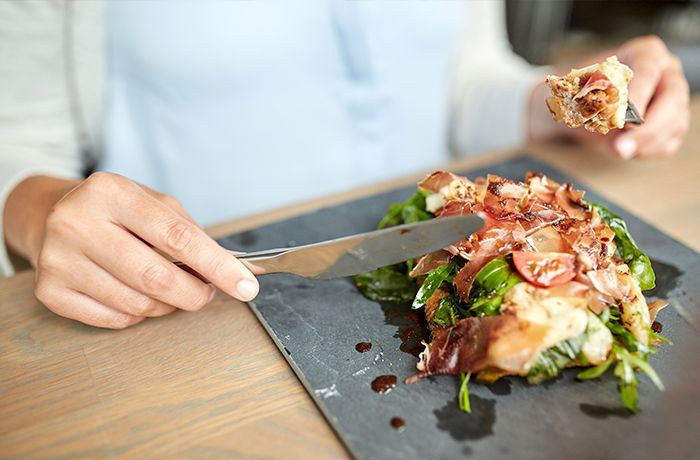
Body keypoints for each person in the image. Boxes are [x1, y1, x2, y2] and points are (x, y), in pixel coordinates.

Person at [0, 1, 690, 329]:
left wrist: (574, 101)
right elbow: (19, 144)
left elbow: (464, 84)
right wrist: (42, 219)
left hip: (428, 270)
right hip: (190, 307)